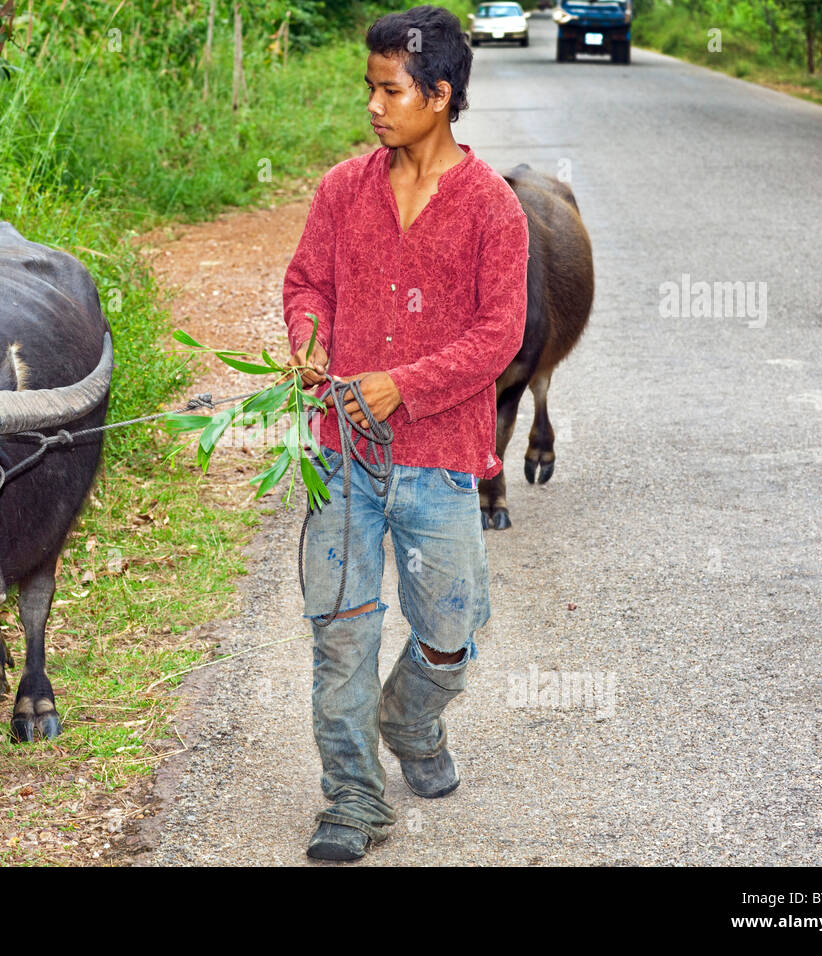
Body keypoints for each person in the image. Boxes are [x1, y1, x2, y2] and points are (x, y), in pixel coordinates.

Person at [282, 4, 529, 862]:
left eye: (391, 90)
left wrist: (404, 385)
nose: (376, 107)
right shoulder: (342, 189)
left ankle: (410, 722)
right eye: (371, 89)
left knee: (449, 640)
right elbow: (307, 281)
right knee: (339, 632)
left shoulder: (493, 209)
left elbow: (499, 336)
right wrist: (310, 340)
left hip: (439, 461)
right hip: (341, 455)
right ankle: (353, 799)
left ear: (440, 93)